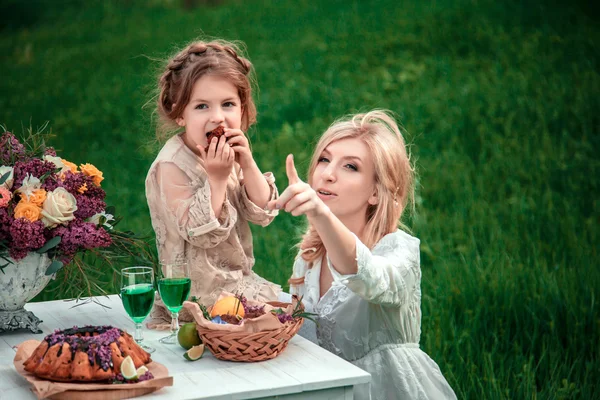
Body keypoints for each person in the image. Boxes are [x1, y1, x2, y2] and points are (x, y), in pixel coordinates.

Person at [268, 110, 456, 399]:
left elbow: (371, 278)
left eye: (350, 167)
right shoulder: (308, 259)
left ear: (376, 193)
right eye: (324, 159)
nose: (328, 174)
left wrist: (319, 213)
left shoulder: (400, 252)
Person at [145, 39, 281, 328]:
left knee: (286, 320)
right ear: (179, 112)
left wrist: (248, 164)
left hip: (237, 285)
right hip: (197, 296)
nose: (217, 117)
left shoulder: (225, 152)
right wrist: (216, 180)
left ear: (242, 110)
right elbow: (199, 233)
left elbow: (263, 211)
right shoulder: (171, 166)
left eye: (228, 104)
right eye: (202, 106)